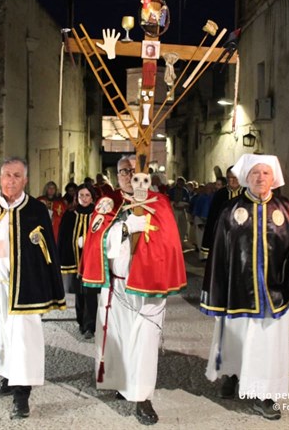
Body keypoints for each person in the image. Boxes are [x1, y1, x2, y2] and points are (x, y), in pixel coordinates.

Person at [199, 154, 289, 420]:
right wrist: (218, 292)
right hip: (236, 291)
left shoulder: (285, 210)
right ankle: (231, 373)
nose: (260, 178)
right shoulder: (231, 211)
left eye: (265, 173)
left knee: (267, 346)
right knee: (234, 339)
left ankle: (265, 395)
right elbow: (219, 254)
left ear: (273, 177)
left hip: (272, 294)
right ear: (245, 178)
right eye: (255, 173)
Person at [0, 157, 66, 420]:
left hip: (24, 290)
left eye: (17, 176)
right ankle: (8, 376)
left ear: (25, 180)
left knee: (23, 343)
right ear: (0, 178)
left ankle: (21, 396)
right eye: (7, 175)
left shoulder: (36, 211)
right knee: (2, 339)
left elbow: (46, 252)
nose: (11, 180)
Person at [80, 155, 187, 426]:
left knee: (145, 341)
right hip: (116, 286)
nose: (127, 175)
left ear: (145, 174)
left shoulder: (159, 202)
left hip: (147, 288)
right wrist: (124, 228)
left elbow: (169, 245)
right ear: (117, 175)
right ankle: (121, 382)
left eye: (133, 170)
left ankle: (142, 398)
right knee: (117, 338)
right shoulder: (108, 203)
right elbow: (96, 240)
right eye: (122, 171)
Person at [58, 183, 98, 339]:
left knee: (90, 293)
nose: (84, 198)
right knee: (79, 293)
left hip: (91, 260)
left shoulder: (97, 214)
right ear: (76, 197)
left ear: (92, 197)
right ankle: (81, 322)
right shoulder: (69, 214)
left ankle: (90, 326)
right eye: (81, 195)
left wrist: (89, 242)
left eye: (87, 195)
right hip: (74, 259)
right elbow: (63, 237)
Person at [199, 166, 244, 261]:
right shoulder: (220, 194)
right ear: (227, 179)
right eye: (230, 178)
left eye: (236, 177)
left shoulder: (247, 193)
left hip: (243, 237)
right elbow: (212, 217)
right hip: (224, 236)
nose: (233, 180)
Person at [167, 176, 191, 248]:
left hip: (182, 209)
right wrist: (173, 203)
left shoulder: (185, 191)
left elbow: (187, 200)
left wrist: (184, 204)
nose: (181, 184)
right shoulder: (172, 190)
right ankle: (173, 239)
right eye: (179, 182)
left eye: (182, 183)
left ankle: (181, 239)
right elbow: (168, 199)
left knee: (183, 225)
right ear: (177, 182)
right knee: (175, 225)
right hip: (174, 210)